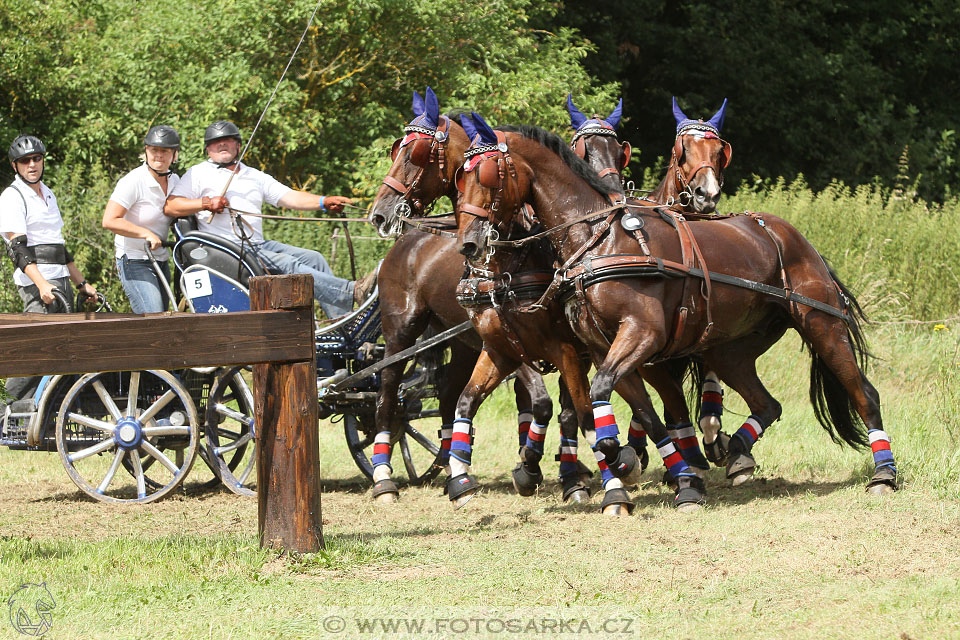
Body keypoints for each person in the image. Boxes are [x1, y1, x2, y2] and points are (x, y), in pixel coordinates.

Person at [164, 120, 376, 318]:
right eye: (215, 143)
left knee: (314, 258)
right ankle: (352, 292)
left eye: (227, 141)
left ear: (238, 145)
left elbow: (290, 197)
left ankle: (341, 322)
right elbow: (171, 206)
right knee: (288, 264)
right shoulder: (198, 173)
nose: (222, 145)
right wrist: (206, 203)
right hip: (229, 250)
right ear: (208, 149)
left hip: (258, 245)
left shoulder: (254, 175)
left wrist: (323, 201)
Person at [1, 134, 98, 403]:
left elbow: (59, 247)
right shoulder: (12, 196)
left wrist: (81, 283)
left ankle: (25, 416)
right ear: (15, 165)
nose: (32, 164)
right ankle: (2, 407)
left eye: (36, 158)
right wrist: (43, 284)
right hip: (37, 285)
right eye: (24, 161)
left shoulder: (49, 194)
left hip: (62, 282)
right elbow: (17, 249)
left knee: (58, 352)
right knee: (36, 350)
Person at [102, 125, 180, 313]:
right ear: (146, 151)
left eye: (165, 151)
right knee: (152, 315)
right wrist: (145, 233)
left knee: (165, 315)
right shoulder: (133, 181)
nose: (159, 155)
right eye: (154, 150)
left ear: (175, 155)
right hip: (134, 259)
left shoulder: (175, 180)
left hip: (160, 258)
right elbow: (109, 220)